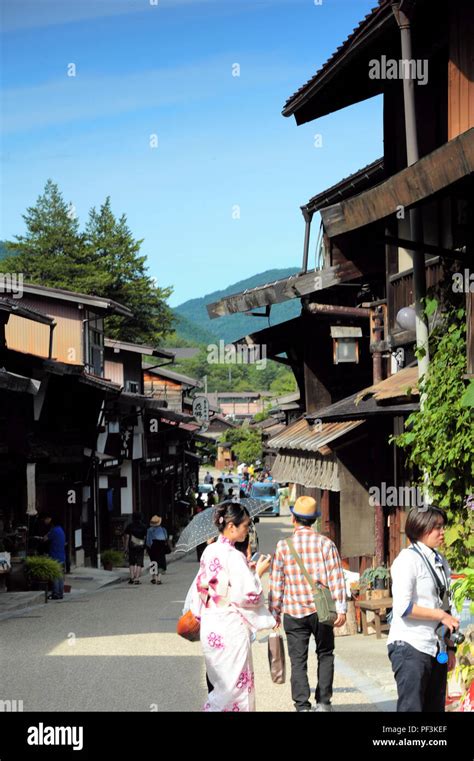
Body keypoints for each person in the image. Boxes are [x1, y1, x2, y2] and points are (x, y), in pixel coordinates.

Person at [189, 501, 276, 712]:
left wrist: (247, 570)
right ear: (231, 526)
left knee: (220, 683)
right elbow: (248, 595)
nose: (248, 530)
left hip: (211, 623)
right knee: (236, 686)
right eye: (245, 526)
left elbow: (203, 588)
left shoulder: (209, 551)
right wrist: (257, 573)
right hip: (230, 627)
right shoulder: (234, 556)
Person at [268, 496, 347, 712]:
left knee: (298, 660)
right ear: (313, 520)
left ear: (293, 519)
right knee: (325, 653)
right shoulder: (326, 544)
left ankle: (302, 706)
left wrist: (274, 614)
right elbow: (336, 578)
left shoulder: (284, 546)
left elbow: (277, 583)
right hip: (321, 611)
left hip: (293, 612)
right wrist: (341, 608)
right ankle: (323, 703)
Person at [387, 506, 460, 712]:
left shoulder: (440, 561)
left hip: (436, 647)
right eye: (437, 527)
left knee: (435, 708)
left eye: (442, 526)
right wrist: (440, 615)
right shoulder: (407, 560)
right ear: (421, 528)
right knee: (412, 708)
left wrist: (450, 647)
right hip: (410, 645)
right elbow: (403, 606)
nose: (442, 532)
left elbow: (445, 604)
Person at [39, 514, 66, 600]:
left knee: (55, 575)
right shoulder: (61, 530)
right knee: (60, 576)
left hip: (55, 556)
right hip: (62, 556)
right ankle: (60, 593)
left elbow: (45, 539)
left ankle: (55, 594)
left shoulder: (53, 531)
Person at [124, 511, 147, 585]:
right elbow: (145, 537)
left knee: (132, 562)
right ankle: (137, 579)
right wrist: (145, 547)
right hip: (140, 546)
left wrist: (126, 547)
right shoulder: (143, 526)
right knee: (139, 562)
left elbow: (127, 537)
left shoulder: (130, 526)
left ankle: (131, 578)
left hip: (132, 545)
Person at [146, 515, 169, 585]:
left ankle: (153, 578)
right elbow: (166, 538)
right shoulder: (163, 529)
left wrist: (148, 548)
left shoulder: (149, 530)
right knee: (161, 562)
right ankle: (158, 578)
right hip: (161, 547)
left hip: (152, 547)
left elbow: (148, 541)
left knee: (153, 562)